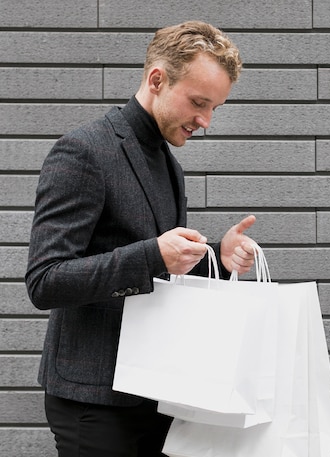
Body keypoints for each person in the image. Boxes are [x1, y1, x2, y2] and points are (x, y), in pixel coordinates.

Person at [25, 21, 255, 456]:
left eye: (215, 108)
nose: (205, 121)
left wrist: (217, 260)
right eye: (198, 103)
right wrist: (151, 255)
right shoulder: (83, 151)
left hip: (155, 392)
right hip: (94, 401)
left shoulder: (169, 163)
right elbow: (45, 281)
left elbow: (163, 268)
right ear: (156, 80)